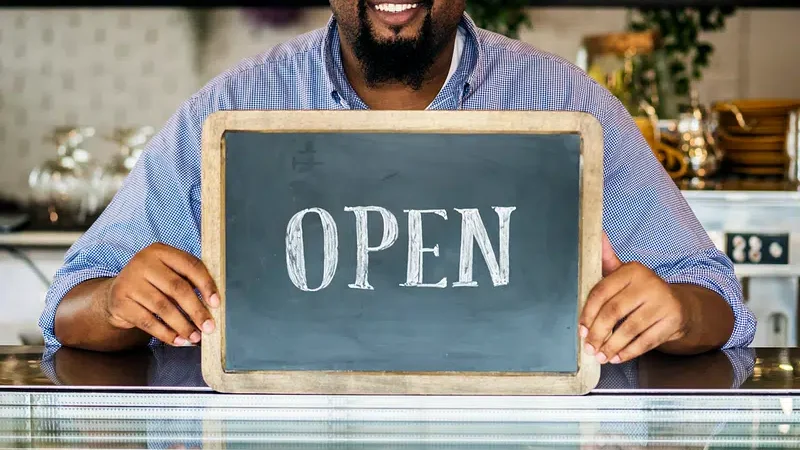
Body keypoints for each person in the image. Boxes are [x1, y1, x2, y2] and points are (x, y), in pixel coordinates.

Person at [41, 0, 756, 363]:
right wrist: (116, 299)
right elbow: (67, 309)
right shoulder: (226, 114)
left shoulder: (572, 108)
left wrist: (676, 310)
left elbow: (716, 301)